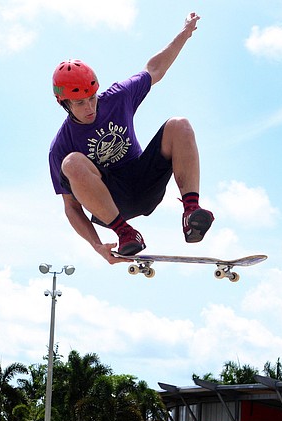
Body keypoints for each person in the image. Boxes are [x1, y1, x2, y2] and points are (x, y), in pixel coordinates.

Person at [48, 12, 214, 264]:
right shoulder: (60, 145)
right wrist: (96, 245)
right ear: (64, 104)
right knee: (72, 162)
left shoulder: (118, 97)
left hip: (144, 183)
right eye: (80, 103)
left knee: (179, 125)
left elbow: (154, 69)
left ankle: (191, 212)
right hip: (111, 203)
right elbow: (71, 207)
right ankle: (125, 233)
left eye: (92, 98)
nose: (90, 107)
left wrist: (184, 35)